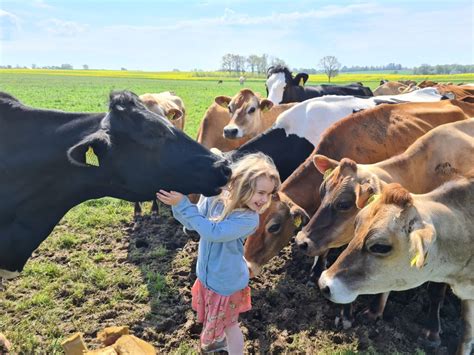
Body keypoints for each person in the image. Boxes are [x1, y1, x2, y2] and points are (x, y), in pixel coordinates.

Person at [156, 152, 280, 355]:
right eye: (261, 192)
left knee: (231, 326)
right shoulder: (217, 200)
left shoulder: (248, 219)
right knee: (218, 320)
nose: (264, 199)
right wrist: (178, 204)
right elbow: (192, 221)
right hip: (208, 277)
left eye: (269, 194)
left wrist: (183, 205)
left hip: (226, 284)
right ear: (242, 184)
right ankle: (218, 340)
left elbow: (212, 232)